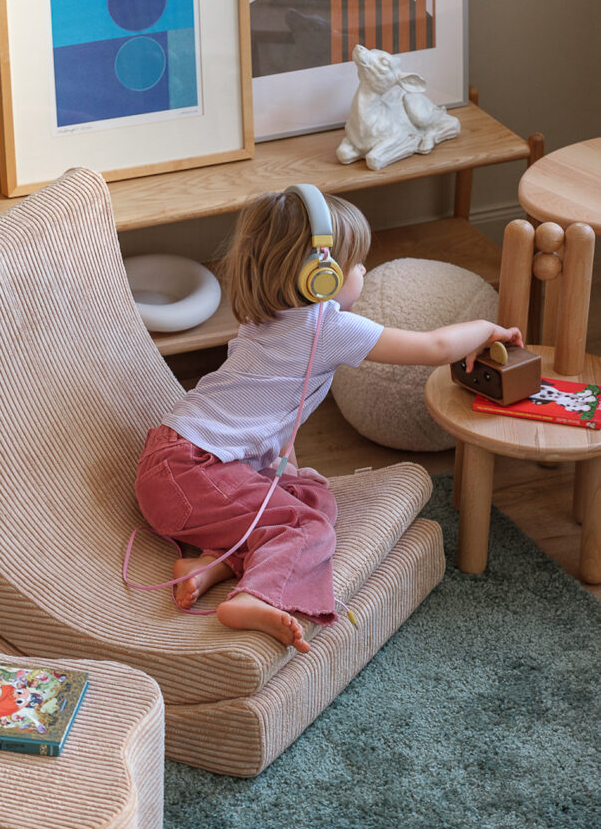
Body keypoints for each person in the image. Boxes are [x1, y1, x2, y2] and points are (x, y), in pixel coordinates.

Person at [133, 187, 522, 654]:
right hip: (191, 472)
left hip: (178, 464)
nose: (362, 272)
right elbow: (434, 349)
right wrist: (487, 328)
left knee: (312, 494)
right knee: (306, 528)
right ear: (321, 276)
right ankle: (255, 597)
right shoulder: (326, 327)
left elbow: (278, 418)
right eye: (356, 264)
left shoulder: (265, 319)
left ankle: (212, 564)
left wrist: (290, 472)